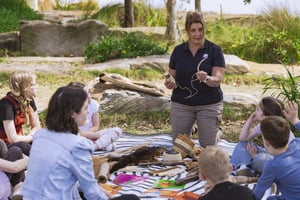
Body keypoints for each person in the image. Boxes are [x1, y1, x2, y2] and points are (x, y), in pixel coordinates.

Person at [21, 86, 138, 200]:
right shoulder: (78, 145)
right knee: (132, 198)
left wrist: (95, 189)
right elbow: (92, 194)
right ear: (72, 113)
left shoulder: (40, 135)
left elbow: (57, 178)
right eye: (85, 108)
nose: (87, 113)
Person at [164, 11, 225, 147]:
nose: (197, 34)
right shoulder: (178, 51)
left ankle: (216, 131)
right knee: (180, 146)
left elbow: (217, 80)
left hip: (209, 104)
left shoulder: (215, 50)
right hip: (182, 104)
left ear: (204, 29)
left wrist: (207, 78)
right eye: (193, 30)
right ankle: (191, 128)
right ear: (187, 31)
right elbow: (171, 75)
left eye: (200, 30)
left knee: (207, 146)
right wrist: (169, 82)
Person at [230, 96, 295, 173]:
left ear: (266, 116)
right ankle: (236, 169)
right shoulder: (264, 125)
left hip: (282, 165)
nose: (255, 112)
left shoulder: (278, 130)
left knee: (263, 159)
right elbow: (243, 138)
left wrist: (256, 156)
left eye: (258, 110)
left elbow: (280, 158)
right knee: (243, 144)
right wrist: (250, 121)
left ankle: (246, 170)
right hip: (270, 156)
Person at [253, 116, 300, 199]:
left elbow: (258, 192)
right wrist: (295, 120)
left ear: (266, 142)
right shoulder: (297, 143)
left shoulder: (273, 166)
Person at [67, 82, 122, 151]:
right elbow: (76, 133)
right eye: (85, 95)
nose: (89, 96)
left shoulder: (93, 104)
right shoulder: (71, 110)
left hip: (90, 134)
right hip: (76, 137)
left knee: (117, 131)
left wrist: (90, 134)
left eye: (89, 93)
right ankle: (99, 145)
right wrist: (97, 136)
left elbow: (96, 126)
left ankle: (94, 146)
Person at [0, 70, 41, 155]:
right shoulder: (6, 104)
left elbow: (36, 127)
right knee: (26, 148)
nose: (37, 86)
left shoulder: (29, 100)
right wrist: (32, 138)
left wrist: (31, 137)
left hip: (20, 141)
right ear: (24, 87)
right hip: (4, 145)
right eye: (33, 84)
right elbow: (12, 139)